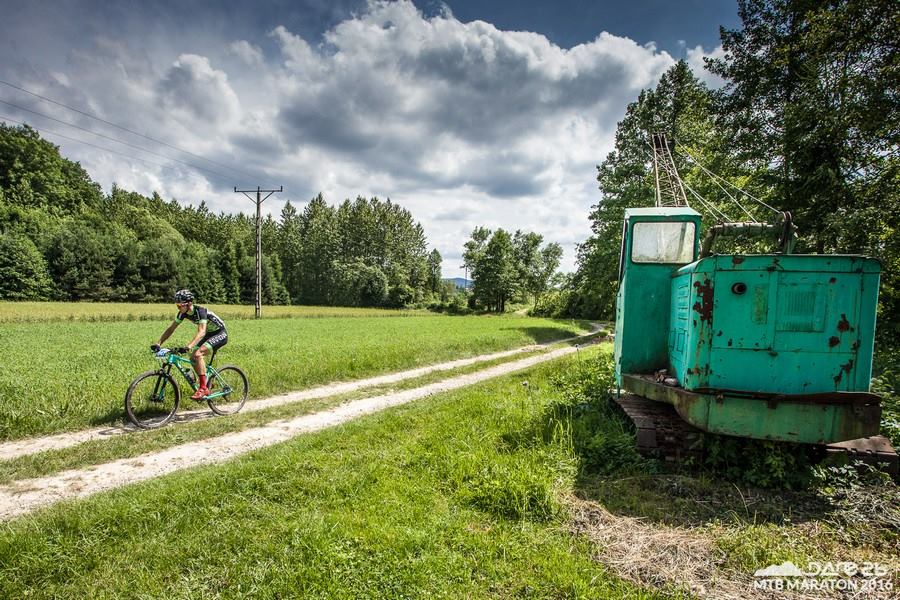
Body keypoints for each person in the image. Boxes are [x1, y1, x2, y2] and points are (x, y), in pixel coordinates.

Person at [151, 289, 228, 400]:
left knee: (197, 354)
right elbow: (171, 329)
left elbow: (201, 331)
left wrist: (189, 346)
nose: (178, 308)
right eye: (177, 305)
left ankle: (203, 388)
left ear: (189, 303)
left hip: (220, 333)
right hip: (208, 334)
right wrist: (158, 343)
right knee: (192, 358)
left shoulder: (200, 311)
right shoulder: (183, 313)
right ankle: (205, 383)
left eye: (180, 305)